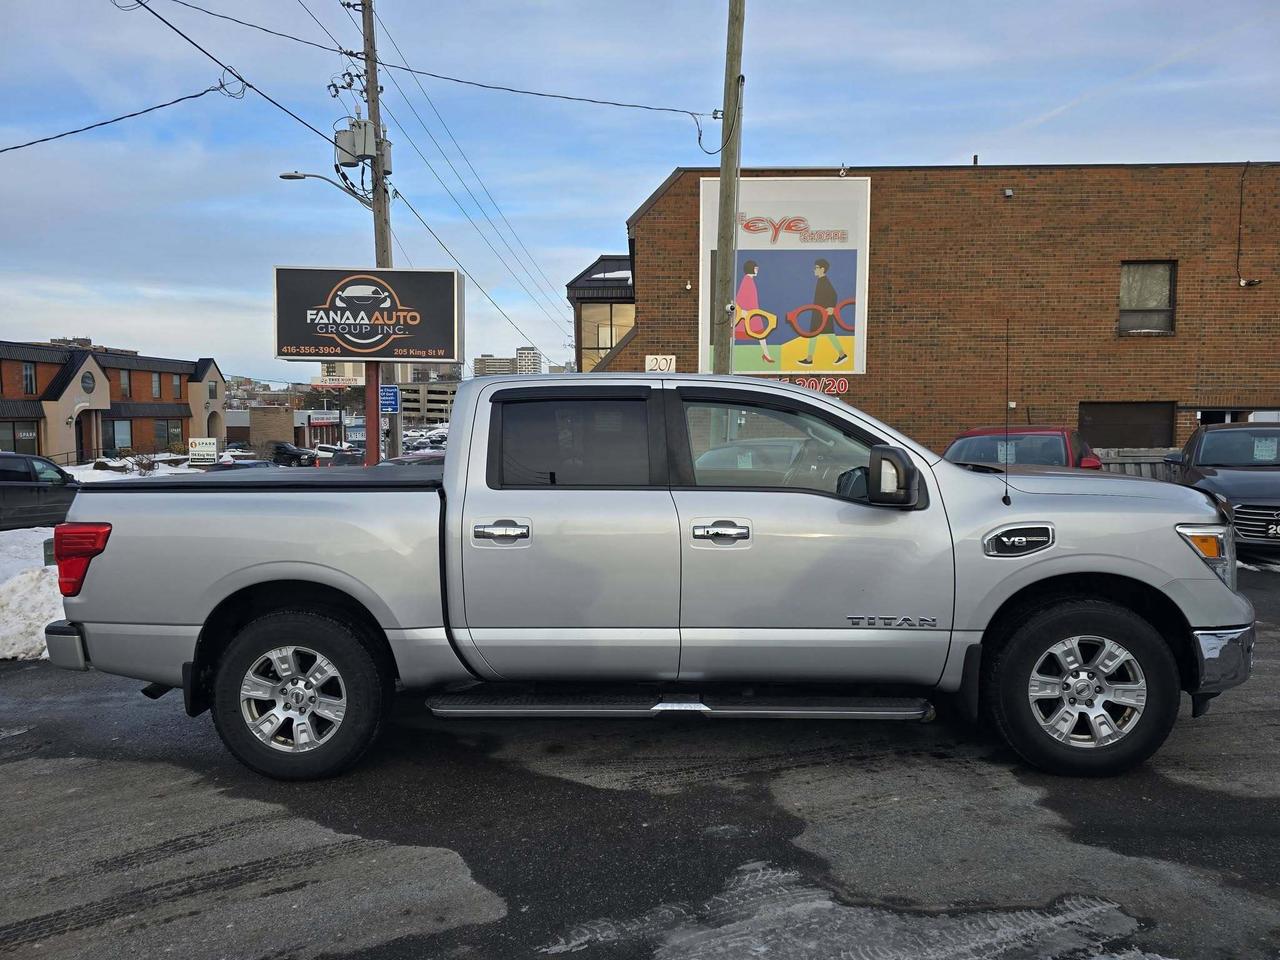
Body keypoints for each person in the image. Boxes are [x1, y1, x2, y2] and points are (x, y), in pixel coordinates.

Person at [798, 259, 848, 366]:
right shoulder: (821, 280)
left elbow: (834, 294)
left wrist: (831, 308)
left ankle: (810, 359)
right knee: (823, 334)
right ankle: (840, 354)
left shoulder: (824, 281)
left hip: (823, 313)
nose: (814, 270)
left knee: (822, 334)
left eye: (816, 267)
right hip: (819, 313)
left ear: (822, 269)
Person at [735, 260, 774, 364]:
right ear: (751, 268)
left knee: (761, 335)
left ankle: (766, 355)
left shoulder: (749, 280)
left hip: (753, 314)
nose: (757, 270)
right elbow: (739, 298)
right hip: (748, 314)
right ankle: (766, 355)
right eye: (756, 268)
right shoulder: (747, 280)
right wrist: (743, 312)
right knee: (760, 335)